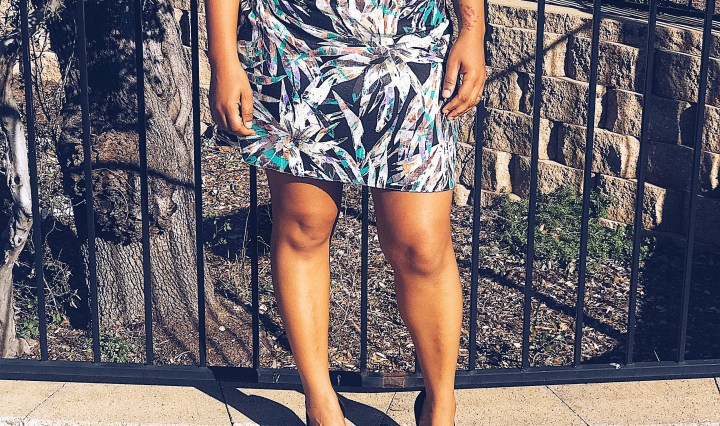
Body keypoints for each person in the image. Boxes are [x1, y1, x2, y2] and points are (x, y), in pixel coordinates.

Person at [205, 0, 486, 423]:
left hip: (410, 40)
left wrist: (472, 31)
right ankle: (321, 403)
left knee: (422, 246)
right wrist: (223, 57)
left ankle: (440, 405)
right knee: (303, 228)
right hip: (294, 41)